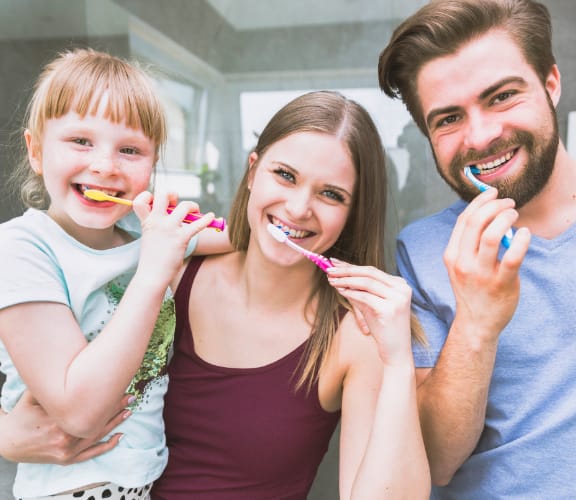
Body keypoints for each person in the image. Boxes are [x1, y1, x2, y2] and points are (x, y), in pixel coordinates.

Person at [2, 90, 432, 499]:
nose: (299, 208)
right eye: (285, 175)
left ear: (353, 212)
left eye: (331, 195)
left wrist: (397, 366)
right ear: (252, 171)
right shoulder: (165, 272)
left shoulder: (355, 334)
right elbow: (44, 355)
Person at [0, 48, 230, 500]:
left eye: (130, 150)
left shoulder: (141, 233)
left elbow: (246, 235)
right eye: (81, 141)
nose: (105, 165)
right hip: (72, 491)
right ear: (36, 151)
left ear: (152, 164)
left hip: (139, 484)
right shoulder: (20, 249)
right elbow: (79, 414)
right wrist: (153, 272)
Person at [378, 0, 576, 498]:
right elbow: (436, 461)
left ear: (551, 84)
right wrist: (477, 323)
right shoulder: (421, 253)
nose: (482, 136)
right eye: (448, 119)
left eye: (503, 96)